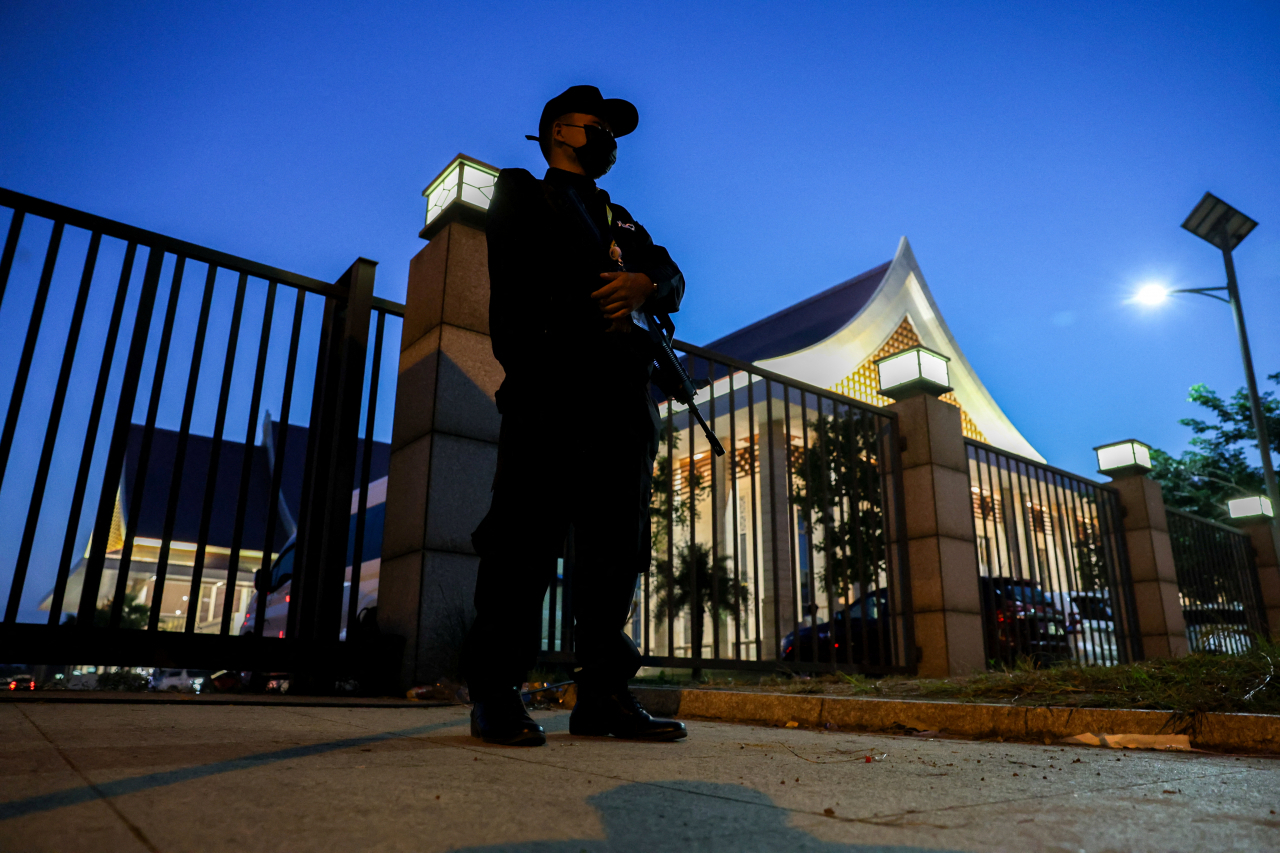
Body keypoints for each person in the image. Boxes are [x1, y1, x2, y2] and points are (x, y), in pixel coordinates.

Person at [462, 85, 688, 746]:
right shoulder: (522, 195)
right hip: (549, 393)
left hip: (620, 406)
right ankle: (496, 692)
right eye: (598, 127)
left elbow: (670, 272)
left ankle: (603, 696)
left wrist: (646, 284)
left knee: (614, 552)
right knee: (522, 544)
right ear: (560, 131)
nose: (608, 141)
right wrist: (605, 288)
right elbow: (527, 280)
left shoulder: (623, 221)